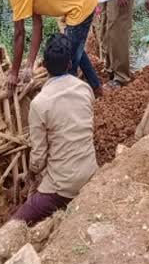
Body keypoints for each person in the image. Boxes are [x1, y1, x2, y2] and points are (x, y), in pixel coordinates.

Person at [12, 34, 98, 225]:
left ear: (43, 64)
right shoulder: (85, 89)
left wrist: (32, 172)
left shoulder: (39, 104)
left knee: (16, 223)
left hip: (62, 187)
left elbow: (39, 157)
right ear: (69, 64)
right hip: (92, 174)